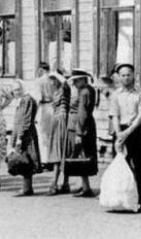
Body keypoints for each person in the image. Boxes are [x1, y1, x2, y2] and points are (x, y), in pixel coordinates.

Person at [109, 62, 141, 213]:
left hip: (136, 130)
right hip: (120, 131)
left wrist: (128, 132)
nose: (126, 78)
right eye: (123, 75)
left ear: (134, 76)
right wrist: (119, 135)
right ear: (119, 77)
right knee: (121, 166)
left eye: (129, 75)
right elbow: (114, 115)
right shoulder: (115, 95)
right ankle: (124, 200)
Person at [67, 69, 98, 197]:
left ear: (83, 80)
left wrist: (79, 133)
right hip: (88, 124)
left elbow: (82, 113)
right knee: (84, 154)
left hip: (84, 127)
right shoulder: (89, 90)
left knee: (83, 155)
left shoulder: (84, 92)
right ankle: (85, 185)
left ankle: (86, 187)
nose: (74, 83)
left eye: (76, 81)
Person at [11, 80, 40, 196]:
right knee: (23, 159)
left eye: (18, 89)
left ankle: (27, 188)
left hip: (27, 135)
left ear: (23, 89)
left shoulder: (27, 100)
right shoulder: (21, 101)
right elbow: (17, 121)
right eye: (14, 90)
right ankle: (26, 187)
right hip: (22, 134)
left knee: (27, 160)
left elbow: (26, 120)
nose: (16, 92)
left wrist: (20, 137)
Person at [45, 71, 71, 195]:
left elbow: (66, 83)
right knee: (59, 151)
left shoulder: (64, 88)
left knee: (60, 151)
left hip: (62, 119)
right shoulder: (55, 91)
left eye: (52, 79)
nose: (50, 82)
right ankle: (64, 183)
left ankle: (55, 183)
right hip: (56, 119)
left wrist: (57, 74)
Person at [35, 62, 54, 165]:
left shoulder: (39, 81)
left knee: (43, 135)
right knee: (52, 133)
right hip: (53, 106)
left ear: (41, 70)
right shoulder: (53, 80)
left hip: (43, 107)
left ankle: (45, 160)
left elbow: (38, 98)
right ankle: (52, 158)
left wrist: (34, 113)